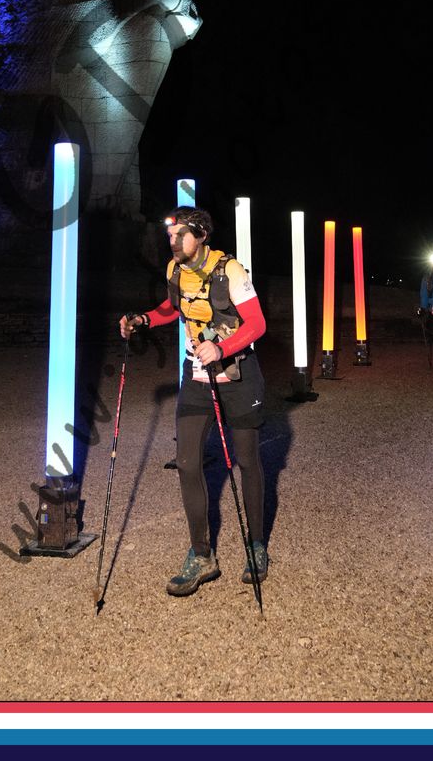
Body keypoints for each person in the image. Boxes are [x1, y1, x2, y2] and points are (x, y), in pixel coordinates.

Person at [119, 206, 268, 596]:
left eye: (180, 235)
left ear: (200, 235)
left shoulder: (230, 270)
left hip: (237, 376)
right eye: (169, 235)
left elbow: (257, 324)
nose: (172, 241)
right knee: (187, 463)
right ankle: (202, 556)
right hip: (197, 377)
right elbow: (173, 308)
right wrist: (144, 319)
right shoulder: (175, 270)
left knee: (247, 461)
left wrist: (222, 348)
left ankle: (256, 545)